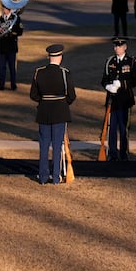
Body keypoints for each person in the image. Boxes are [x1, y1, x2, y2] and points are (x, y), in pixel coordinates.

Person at [30, 43, 76, 184]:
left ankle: (43, 177)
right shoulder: (64, 73)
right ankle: (56, 177)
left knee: (44, 146)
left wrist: (44, 101)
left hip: (44, 111)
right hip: (59, 112)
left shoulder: (39, 72)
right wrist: (62, 103)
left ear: (48, 57)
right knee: (57, 146)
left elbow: (33, 95)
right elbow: (71, 96)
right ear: (60, 57)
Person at [102, 37, 136, 161]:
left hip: (125, 100)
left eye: (119, 46)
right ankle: (112, 153)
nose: (117, 48)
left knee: (124, 129)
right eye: (115, 46)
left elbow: (135, 80)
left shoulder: (132, 61)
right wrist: (108, 86)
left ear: (125, 47)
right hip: (112, 101)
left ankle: (123, 153)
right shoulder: (110, 61)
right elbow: (104, 79)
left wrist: (122, 84)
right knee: (111, 128)